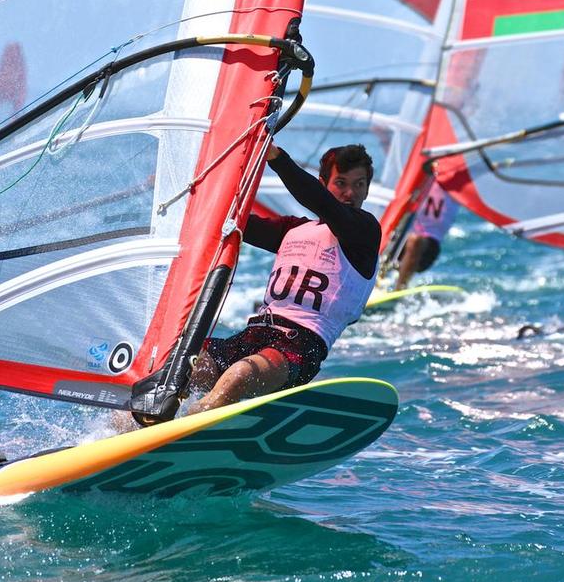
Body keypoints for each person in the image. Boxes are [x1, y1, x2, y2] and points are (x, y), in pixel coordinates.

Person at [186, 143, 381, 415]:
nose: (350, 193)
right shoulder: (294, 230)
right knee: (185, 365)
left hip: (300, 346)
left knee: (240, 374)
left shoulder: (365, 231)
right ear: (324, 182)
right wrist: (194, 189)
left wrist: (277, 158)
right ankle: (119, 432)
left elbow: (322, 203)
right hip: (255, 333)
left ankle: (187, 435)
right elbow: (232, 222)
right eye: (341, 183)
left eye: (359, 184)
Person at [394, 182, 459, 290]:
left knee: (415, 241)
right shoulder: (424, 175)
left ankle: (400, 287)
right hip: (399, 238)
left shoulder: (458, 186)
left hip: (428, 248)